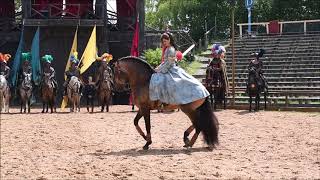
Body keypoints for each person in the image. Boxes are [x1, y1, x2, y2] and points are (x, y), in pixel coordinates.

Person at [149, 32, 210, 105]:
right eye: (163, 42)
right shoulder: (167, 49)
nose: (164, 43)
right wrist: (158, 67)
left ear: (169, 40)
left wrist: (161, 70)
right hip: (166, 67)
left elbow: (169, 63)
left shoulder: (171, 49)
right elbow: (165, 62)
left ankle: (167, 101)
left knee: (165, 82)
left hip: (170, 69)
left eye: (165, 41)